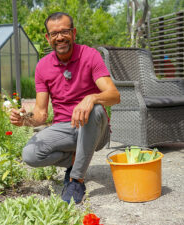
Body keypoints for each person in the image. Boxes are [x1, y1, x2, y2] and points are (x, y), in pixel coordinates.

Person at [10, 12, 120, 204]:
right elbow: (41, 114)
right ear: (48, 38)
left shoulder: (90, 55)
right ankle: (78, 160)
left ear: (74, 33)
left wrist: (92, 98)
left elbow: (114, 95)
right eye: (54, 33)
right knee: (30, 154)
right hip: (66, 128)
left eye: (64, 31)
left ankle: (76, 179)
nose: (59, 37)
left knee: (95, 109)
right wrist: (25, 119)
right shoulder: (43, 67)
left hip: (95, 129)